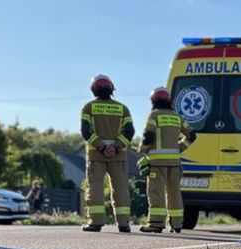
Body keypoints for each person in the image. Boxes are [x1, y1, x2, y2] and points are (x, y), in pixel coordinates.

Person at [80, 75, 134, 232]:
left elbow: (86, 131)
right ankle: (124, 223)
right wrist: (116, 147)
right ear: (112, 89)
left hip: (97, 155)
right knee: (121, 189)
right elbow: (129, 132)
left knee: (95, 188)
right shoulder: (123, 108)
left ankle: (95, 222)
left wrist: (102, 147)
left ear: (94, 90)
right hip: (119, 156)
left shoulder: (88, 107)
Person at [138, 86, 195, 233]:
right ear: (170, 100)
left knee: (156, 193)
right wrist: (179, 148)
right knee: (174, 193)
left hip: (157, 164)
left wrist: (143, 151)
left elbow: (148, 137)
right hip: (175, 164)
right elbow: (192, 136)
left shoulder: (154, 116)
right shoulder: (177, 117)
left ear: (153, 101)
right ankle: (177, 224)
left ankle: (156, 224)